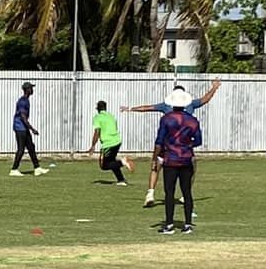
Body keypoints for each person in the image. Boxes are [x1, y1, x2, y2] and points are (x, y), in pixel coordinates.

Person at [128, 77, 221, 207]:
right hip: (184, 148)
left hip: (167, 145)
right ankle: (185, 194)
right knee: (191, 168)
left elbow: (148, 107)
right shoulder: (191, 106)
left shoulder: (165, 107)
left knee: (156, 167)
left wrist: (131, 109)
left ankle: (150, 193)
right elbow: (205, 99)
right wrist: (214, 88)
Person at [152, 86, 203, 235]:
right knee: (187, 192)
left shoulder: (166, 119)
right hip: (186, 159)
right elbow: (198, 141)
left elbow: (159, 141)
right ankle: (187, 224)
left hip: (171, 160)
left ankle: (169, 224)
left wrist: (155, 158)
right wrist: (187, 145)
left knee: (169, 192)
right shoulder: (193, 121)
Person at [9, 81, 47, 176]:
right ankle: (14, 169)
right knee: (21, 149)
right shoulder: (22, 101)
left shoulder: (26, 100)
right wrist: (32, 128)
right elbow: (23, 116)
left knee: (31, 147)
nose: (32, 90)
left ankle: (37, 168)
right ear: (28, 90)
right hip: (20, 127)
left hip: (23, 127)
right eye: (31, 88)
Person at [86, 100, 128, 184]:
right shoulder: (111, 116)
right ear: (105, 108)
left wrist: (93, 146)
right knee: (112, 161)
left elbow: (97, 132)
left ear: (97, 109)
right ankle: (121, 180)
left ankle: (123, 162)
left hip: (108, 143)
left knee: (104, 165)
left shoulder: (97, 117)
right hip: (117, 141)